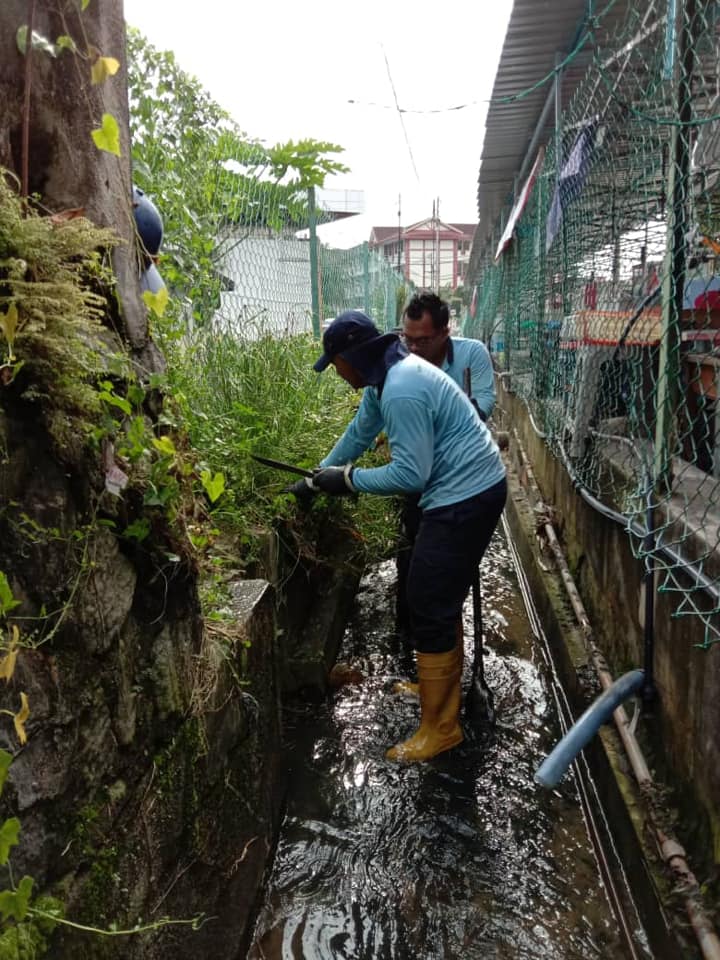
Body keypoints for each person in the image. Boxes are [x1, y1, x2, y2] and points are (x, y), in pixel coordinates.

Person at [288, 310, 506, 763]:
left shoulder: (402, 389)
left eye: (336, 363)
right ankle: (436, 689)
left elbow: (410, 473)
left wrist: (346, 481)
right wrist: (317, 477)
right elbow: (360, 434)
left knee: (428, 599)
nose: (337, 373)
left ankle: (441, 727)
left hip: (466, 495)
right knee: (435, 597)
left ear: (352, 357)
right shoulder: (385, 378)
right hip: (465, 488)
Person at [396, 291, 495, 634]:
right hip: (418, 474)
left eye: (422, 340)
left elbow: (484, 402)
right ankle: (408, 635)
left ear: (444, 333)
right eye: (406, 338)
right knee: (412, 552)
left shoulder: (472, 355)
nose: (412, 348)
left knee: (450, 566)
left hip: (459, 480)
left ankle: (445, 629)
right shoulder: (400, 361)